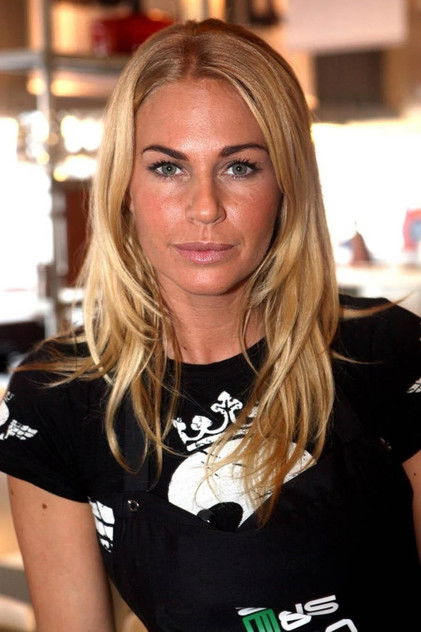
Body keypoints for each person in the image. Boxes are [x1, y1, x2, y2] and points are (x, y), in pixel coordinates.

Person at [0, 18, 420, 632]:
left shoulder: (387, 352)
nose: (204, 207)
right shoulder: (58, 398)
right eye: (168, 168)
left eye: (240, 166)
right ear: (124, 186)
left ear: (287, 182)